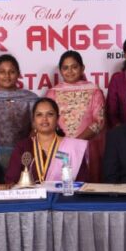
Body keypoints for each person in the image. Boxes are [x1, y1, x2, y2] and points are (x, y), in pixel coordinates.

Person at [0, 54, 38, 184]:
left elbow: (36, 128)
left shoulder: (30, 99)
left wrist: (24, 149)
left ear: (18, 74)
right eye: (2, 72)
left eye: (12, 72)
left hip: (26, 154)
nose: (7, 76)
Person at [46, 50, 106, 181]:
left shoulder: (94, 91)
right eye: (65, 68)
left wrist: (75, 143)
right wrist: (65, 145)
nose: (70, 71)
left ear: (82, 68)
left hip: (87, 147)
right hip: (60, 147)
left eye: (74, 67)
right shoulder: (53, 93)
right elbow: (48, 121)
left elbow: (99, 122)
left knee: (87, 185)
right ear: (60, 70)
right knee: (62, 183)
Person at [5, 97, 89, 184]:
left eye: (50, 114)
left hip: (64, 193)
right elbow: (11, 180)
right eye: (39, 115)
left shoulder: (71, 147)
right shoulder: (23, 147)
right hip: (31, 193)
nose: (44, 119)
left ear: (57, 118)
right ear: (33, 120)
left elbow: (82, 183)